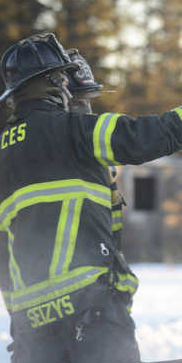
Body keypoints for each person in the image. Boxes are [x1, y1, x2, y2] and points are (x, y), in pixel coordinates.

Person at [0, 32, 182, 363]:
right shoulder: (73, 130)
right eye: (62, 78)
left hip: (32, 330)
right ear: (52, 83)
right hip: (91, 314)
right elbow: (145, 138)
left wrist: (20, 313)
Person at [65, 49, 125, 249]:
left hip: (103, 264)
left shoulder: (96, 149)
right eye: (77, 101)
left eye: (87, 100)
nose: (85, 109)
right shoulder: (47, 151)